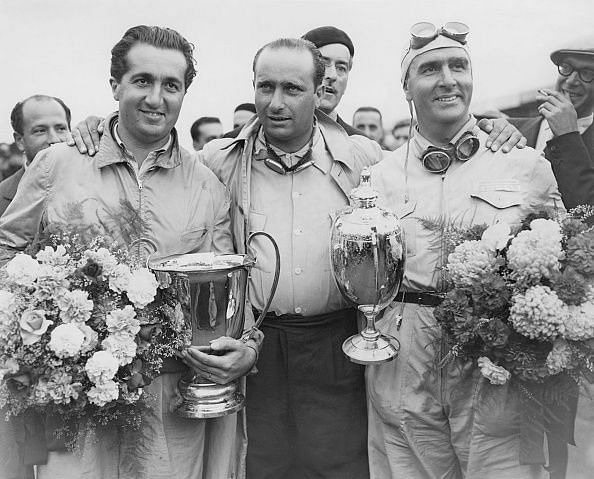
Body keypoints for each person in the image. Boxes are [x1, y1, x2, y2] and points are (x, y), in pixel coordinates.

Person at [0, 25, 260, 479]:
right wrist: (34, 331)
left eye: (170, 86)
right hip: (73, 405)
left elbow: (227, 300)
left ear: (184, 94)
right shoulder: (57, 164)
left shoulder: (206, 185)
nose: (156, 98)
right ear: (115, 85)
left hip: (170, 404)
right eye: (142, 81)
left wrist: (246, 346)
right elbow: (8, 252)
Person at [367, 22, 561, 479]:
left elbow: (567, 262)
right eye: (430, 69)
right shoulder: (378, 178)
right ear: (407, 87)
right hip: (404, 357)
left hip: (493, 361)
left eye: (459, 66)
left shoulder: (525, 164)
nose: (448, 79)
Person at [201, 37, 381, 479]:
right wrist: (101, 124)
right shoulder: (217, 162)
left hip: (336, 346)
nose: (275, 103)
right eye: (265, 87)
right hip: (257, 347)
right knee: (262, 467)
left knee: (339, 467)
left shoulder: (364, 160)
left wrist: (493, 131)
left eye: (292, 89)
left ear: (320, 93)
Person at [509, 40, 594, 210]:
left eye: (586, 73)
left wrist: (567, 136)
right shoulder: (512, 129)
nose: (571, 81)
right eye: (566, 68)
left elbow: (588, 212)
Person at [0, 95, 71, 217]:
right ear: (20, 140)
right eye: (40, 131)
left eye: (61, 128)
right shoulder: (2, 197)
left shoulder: (94, 185)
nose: (54, 139)